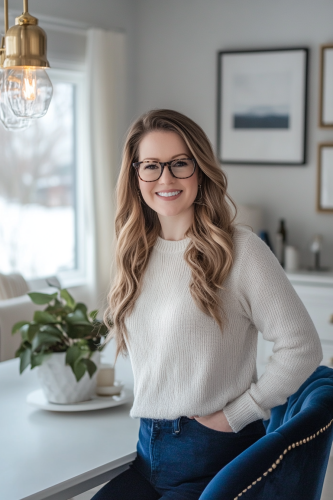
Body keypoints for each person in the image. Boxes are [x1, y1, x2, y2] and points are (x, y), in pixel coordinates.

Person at [92, 109, 323, 500]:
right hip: (148, 451)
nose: (165, 178)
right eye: (150, 166)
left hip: (215, 457)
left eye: (179, 163)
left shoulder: (240, 250)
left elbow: (302, 346)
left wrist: (240, 413)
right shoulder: (135, 252)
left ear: (200, 169)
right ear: (135, 176)